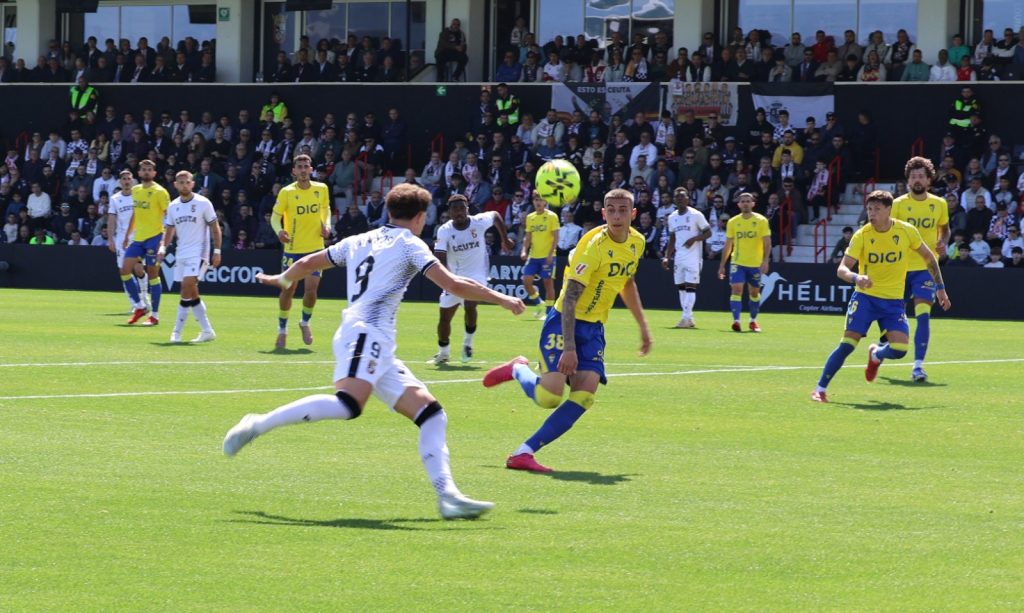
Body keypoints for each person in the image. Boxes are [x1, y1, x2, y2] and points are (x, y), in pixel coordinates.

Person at [223, 183, 526, 520]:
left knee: (432, 415)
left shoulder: (359, 239)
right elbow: (453, 284)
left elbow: (309, 261)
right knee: (348, 405)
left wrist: (283, 279)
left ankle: (448, 496)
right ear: (420, 217)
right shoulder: (410, 244)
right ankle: (258, 424)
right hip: (366, 334)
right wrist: (502, 298)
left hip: (374, 341)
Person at [482, 188, 651, 473]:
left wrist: (643, 326)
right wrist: (569, 349)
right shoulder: (592, 246)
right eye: (611, 210)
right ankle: (518, 369)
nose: (617, 215)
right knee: (549, 397)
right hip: (564, 321)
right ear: (603, 213)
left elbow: (627, 283)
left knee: (584, 396)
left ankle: (523, 453)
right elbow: (570, 297)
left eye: (623, 210)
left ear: (633, 214)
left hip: (594, 327)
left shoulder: (637, 242)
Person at [811, 190, 950, 402]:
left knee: (900, 349)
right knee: (848, 344)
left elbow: (929, 259)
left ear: (889, 210)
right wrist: (856, 277)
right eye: (869, 209)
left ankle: (876, 354)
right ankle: (820, 389)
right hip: (865, 298)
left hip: (893, 302)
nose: (872, 213)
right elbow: (842, 269)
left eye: (877, 209)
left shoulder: (906, 231)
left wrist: (940, 288)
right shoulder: (862, 235)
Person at [429, 195, 514, 365]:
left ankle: (467, 343)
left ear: (467, 209)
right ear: (449, 212)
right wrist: (446, 279)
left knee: (470, 304)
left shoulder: (478, 222)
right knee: (444, 318)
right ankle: (443, 352)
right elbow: (440, 256)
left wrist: (505, 239)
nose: (459, 212)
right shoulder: (444, 230)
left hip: (477, 275)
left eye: (462, 208)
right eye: (455, 209)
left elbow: (496, 215)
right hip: (454, 277)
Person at [890, 157, 949, 383]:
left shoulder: (939, 204)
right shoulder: (897, 204)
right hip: (899, 269)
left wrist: (943, 241)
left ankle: (918, 367)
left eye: (921, 176)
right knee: (894, 316)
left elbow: (945, 229)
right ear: (908, 180)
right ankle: (883, 346)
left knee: (923, 315)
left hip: (926, 268)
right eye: (913, 176)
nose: (917, 180)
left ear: (928, 180)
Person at [271, 154, 331, 349]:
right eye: (300, 167)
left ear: (311, 169)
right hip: (293, 249)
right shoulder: (286, 192)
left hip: (315, 249)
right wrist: (279, 231)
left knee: (311, 291)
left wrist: (327, 225)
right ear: (294, 171)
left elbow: (326, 210)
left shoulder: (321, 189)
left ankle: (305, 322)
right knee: (288, 290)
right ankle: (282, 329)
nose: (303, 170)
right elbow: (275, 217)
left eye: (306, 166)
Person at [156, 171, 221, 343]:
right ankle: (207, 331)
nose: (184, 185)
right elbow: (169, 230)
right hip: (181, 253)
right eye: (181, 182)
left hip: (199, 253)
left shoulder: (203, 203)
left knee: (186, 287)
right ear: (175, 185)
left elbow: (215, 228)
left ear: (192, 184)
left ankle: (176, 332)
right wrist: (163, 247)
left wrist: (217, 251)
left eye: (187, 182)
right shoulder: (173, 206)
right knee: (192, 293)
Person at [121, 160, 170, 326]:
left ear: (154, 173)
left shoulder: (160, 192)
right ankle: (140, 306)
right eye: (144, 169)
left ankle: (155, 315)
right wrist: (127, 235)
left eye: (149, 170)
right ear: (139, 173)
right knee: (125, 270)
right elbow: (136, 214)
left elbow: (169, 216)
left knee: (153, 275)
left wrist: (163, 240)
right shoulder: (135, 190)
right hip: (138, 238)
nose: (147, 172)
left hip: (154, 237)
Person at [718, 193, 771, 332]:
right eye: (743, 201)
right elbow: (728, 244)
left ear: (753, 204)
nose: (745, 203)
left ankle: (753, 320)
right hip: (738, 262)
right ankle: (736, 321)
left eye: (748, 201)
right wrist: (722, 265)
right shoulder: (733, 222)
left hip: (755, 264)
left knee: (754, 293)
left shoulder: (761, 220)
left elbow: (767, 242)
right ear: (739, 204)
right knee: (736, 289)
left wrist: (765, 260)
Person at [661, 187, 711, 328]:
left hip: (693, 256)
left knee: (690, 287)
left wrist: (694, 239)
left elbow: (708, 233)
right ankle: (689, 318)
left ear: (688, 199)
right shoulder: (672, 217)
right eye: (677, 197)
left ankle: (685, 318)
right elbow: (672, 238)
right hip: (679, 256)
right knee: (681, 288)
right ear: (674, 200)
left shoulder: (696, 215)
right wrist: (667, 257)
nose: (680, 199)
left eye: (682, 196)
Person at [107, 169, 148, 312]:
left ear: (133, 181)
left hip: (138, 237)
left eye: (128, 179)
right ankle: (135, 303)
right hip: (121, 239)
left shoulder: (138, 195)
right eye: (124, 179)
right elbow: (111, 219)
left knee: (138, 269)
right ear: (120, 182)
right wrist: (110, 239)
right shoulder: (115, 199)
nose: (126, 181)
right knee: (124, 271)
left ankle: (144, 297)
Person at [520, 193, 560, 319]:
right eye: (536, 200)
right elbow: (528, 237)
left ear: (545, 202)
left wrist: (550, 254)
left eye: (541, 200)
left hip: (547, 256)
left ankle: (549, 312)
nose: (538, 202)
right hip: (533, 256)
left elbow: (556, 237)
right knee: (526, 281)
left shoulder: (552, 216)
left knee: (548, 283)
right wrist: (524, 250)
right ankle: (539, 303)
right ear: (533, 201)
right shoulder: (530, 217)